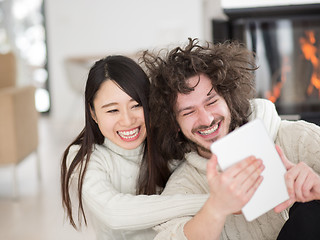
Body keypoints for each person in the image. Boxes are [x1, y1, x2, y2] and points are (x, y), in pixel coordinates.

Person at [141, 38, 320, 240]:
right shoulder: (184, 187)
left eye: (211, 102)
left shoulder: (297, 138)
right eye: (188, 112)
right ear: (174, 123)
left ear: (228, 99)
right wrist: (216, 207)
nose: (206, 119)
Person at [61, 55, 231, 240]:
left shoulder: (168, 143)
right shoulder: (83, 157)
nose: (127, 121)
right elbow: (114, 213)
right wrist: (217, 202)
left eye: (136, 105)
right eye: (112, 110)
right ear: (93, 113)